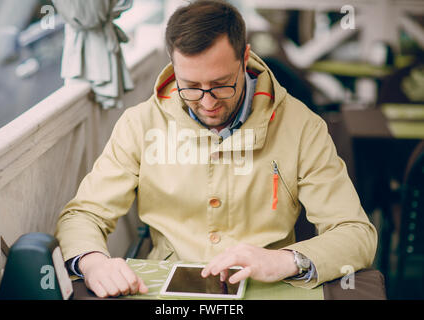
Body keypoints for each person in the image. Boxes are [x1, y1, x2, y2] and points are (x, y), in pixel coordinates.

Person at [55, 0, 377, 298]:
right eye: (191, 87)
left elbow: (355, 233)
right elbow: (84, 214)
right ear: (173, 67)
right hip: (167, 292)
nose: (207, 102)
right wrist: (94, 262)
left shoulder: (303, 127)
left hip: (266, 288)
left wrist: (286, 260)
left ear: (245, 56)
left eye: (222, 84)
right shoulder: (139, 124)